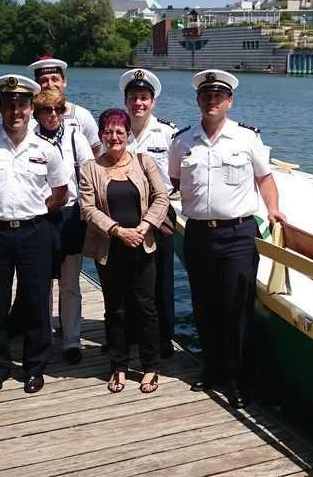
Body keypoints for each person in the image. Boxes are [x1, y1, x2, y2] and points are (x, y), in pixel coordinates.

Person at [168, 69, 286, 409]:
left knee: (236, 308)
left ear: (229, 102)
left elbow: (265, 179)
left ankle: (236, 379)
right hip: (199, 234)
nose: (212, 101)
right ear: (198, 101)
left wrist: (274, 209)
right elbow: (176, 182)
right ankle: (212, 368)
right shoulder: (183, 141)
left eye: (218, 96)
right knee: (204, 305)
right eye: (206, 96)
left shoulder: (247, 139)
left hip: (238, 234)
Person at [0, 74, 69, 395]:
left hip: (35, 233)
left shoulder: (46, 148)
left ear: (32, 108)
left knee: (35, 303)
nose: (16, 111)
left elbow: (60, 192)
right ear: (0, 107)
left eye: (22, 105)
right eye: (9, 105)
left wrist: (35, 213)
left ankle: (35, 367)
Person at [79, 109, 169, 394]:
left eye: (120, 131)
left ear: (128, 135)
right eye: (108, 132)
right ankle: (118, 365)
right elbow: (87, 208)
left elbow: (161, 196)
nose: (114, 137)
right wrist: (118, 230)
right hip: (111, 248)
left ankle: (150, 367)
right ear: (101, 136)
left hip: (143, 245)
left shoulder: (144, 162)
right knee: (115, 309)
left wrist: (144, 227)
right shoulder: (90, 169)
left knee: (146, 307)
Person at [120, 68, 178, 358]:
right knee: (128, 276)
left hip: (160, 214)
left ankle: (164, 337)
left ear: (153, 101)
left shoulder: (168, 133)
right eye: (133, 98)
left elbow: (178, 176)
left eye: (144, 98)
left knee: (161, 278)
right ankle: (130, 334)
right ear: (125, 100)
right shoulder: (117, 132)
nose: (138, 103)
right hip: (125, 214)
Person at [32, 88, 93, 365]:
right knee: (41, 282)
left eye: (58, 109)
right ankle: (41, 339)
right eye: (47, 110)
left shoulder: (73, 136)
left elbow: (89, 175)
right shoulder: (28, 138)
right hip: (40, 216)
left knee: (70, 283)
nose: (53, 115)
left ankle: (71, 339)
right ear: (37, 112)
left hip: (69, 216)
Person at [28, 56, 100, 155]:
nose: (50, 84)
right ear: (36, 84)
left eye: (55, 79)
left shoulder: (81, 115)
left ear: (64, 81)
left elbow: (97, 151)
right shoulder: (26, 116)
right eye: (44, 80)